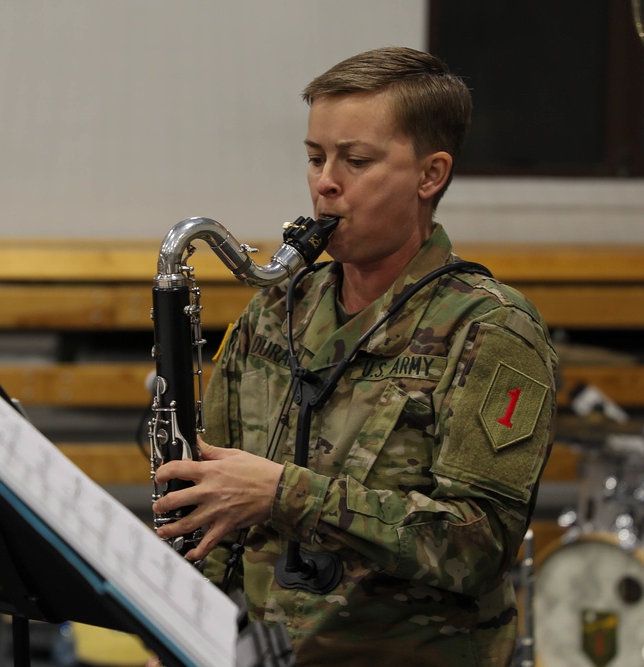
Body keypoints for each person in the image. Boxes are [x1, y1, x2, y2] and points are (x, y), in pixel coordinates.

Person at [150, 47, 558, 666]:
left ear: (430, 175)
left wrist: (286, 494)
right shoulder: (272, 312)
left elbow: (481, 545)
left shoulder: (494, 329)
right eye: (315, 158)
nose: (325, 182)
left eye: (356, 161)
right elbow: (214, 510)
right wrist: (187, 632)